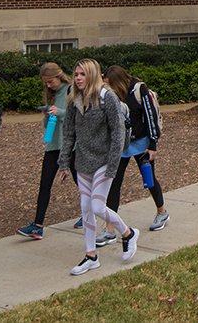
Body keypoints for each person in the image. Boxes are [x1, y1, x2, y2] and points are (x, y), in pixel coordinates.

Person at [58, 58, 139, 273]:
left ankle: (128, 233)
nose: (78, 78)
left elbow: (118, 133)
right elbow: (68, 133)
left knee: (97, 207)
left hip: (104, 161)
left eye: (82, 74)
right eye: (76, 74)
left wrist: (113, 164)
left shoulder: (107, 97)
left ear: (93, 75)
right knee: (86, 209)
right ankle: (90, 255)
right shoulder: (73, 98)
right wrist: (64, 163)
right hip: (83, 163)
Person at [100, 64, 169, 241]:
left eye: (109, 84)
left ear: (117, 82)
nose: (108, 88)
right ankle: (109, 228)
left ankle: (162, 212)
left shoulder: (140, 90)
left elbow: (151, 116)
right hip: (122, 145)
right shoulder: (113, 94)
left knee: (149, 179)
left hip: (142, 143)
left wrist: (153, 145)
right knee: (114, 183)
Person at [16, 63, 78, 239]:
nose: (49, 86)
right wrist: (46, 115)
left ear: (59, 76)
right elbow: (46, 125)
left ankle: (90, 214)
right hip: (53, 144)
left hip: (71, 145)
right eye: (46, 83)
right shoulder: (51, 95)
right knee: (45, 184)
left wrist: (59, 112)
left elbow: (77, 115)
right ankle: (37, 225)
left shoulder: (71, 90)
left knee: (81, 183)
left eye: (50, 82)